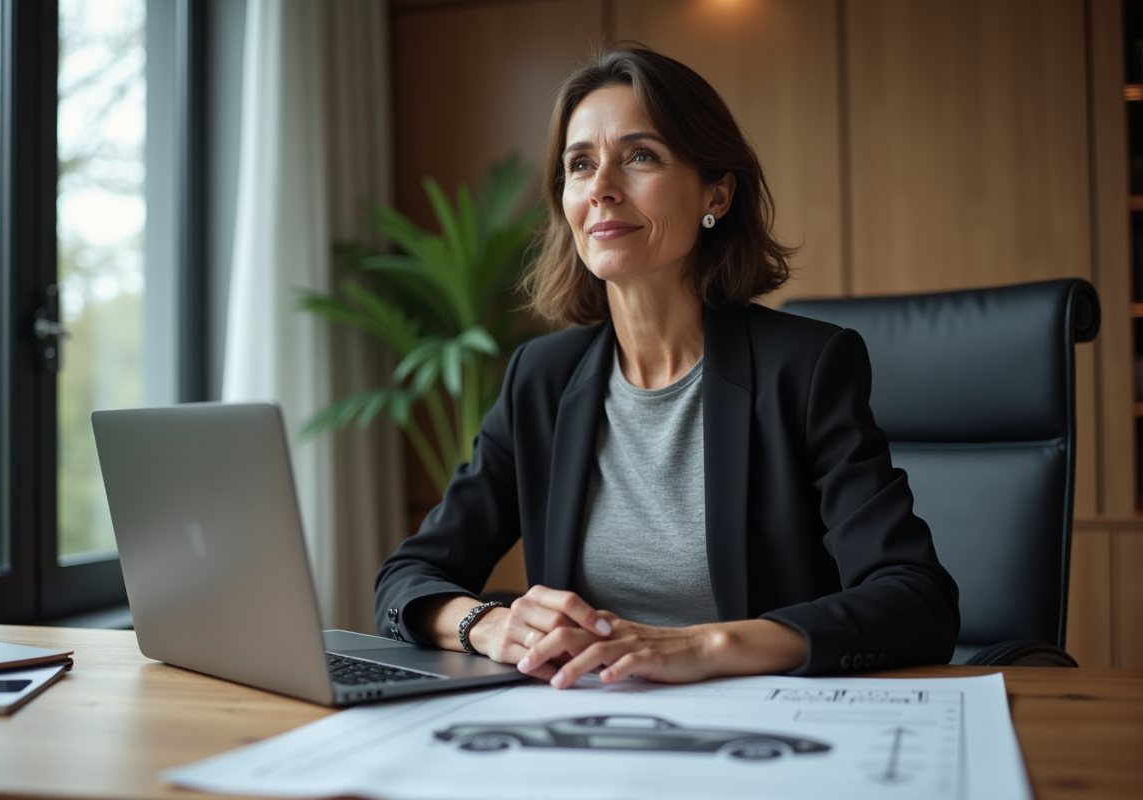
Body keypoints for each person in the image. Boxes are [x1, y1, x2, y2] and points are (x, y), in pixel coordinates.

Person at [374, 45, 959, 689]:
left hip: (759, 721)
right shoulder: (540, 379)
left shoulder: (806, 368)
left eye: (640, 157)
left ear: (717, 193)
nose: (601, 188)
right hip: (584, 718)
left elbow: (916, 599)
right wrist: (484, 625)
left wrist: (704, 645)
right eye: (580, 164)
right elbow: (407, 577)